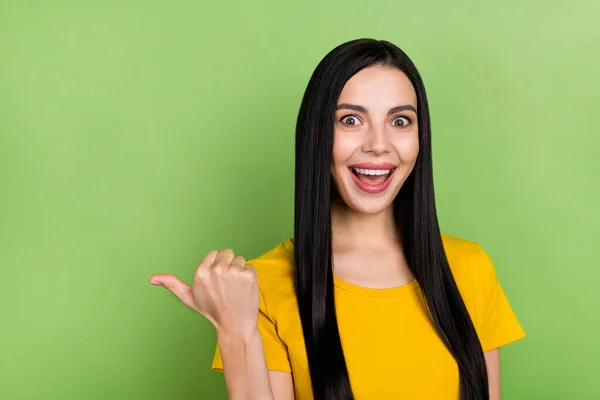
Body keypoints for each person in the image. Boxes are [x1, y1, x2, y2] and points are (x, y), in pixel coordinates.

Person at [149, 38, 526, 400]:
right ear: (317, 134)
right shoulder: (261, 288)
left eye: (400, 122)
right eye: (350, 120)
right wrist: (234, 330)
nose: (379, 144)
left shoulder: (469, 269)